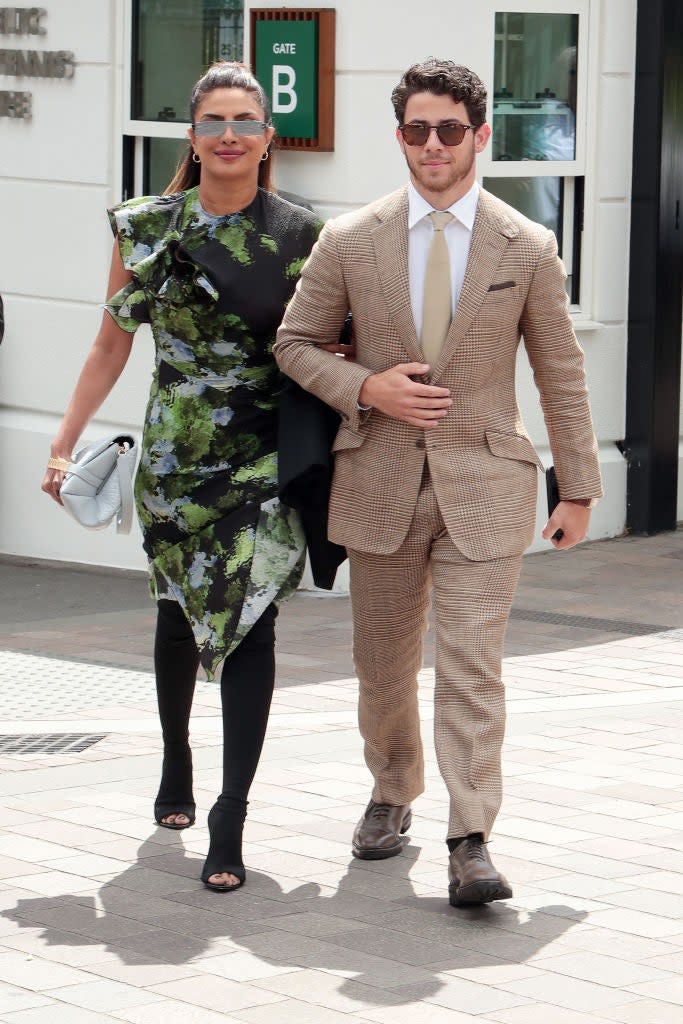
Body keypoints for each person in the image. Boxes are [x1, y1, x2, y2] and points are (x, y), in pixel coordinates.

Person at [274, 59, 602, 907]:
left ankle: (471, 836)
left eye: (448, 129)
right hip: (377, 480)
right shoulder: (348, 239)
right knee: (381, 665)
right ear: (399, 138)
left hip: (485, 481)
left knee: (470, 663)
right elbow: (295, 343)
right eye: (416, 130)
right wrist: (366, 388)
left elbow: (559, 370)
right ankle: (392, 791)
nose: (432, 145)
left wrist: (576, 487)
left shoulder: (526, 246)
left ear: (479, 135)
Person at [42, 62, 327, 893]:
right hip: (174, 458)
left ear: (268, 138)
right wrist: (63, 446)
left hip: (264, 456)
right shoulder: (144, 228)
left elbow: (327, 344)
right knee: (175, 618)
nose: (229, 134)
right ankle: (176, 759)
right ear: (192, 138)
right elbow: (109, 345)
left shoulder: (304, 235)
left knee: (252, 627)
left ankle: (229, 816)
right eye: (214, 122)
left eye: (245, 120)